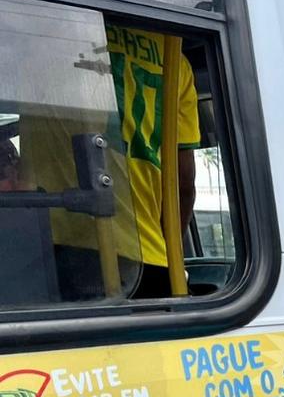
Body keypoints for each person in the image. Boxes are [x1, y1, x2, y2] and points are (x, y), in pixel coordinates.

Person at [21, 23, 199, 300]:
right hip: (156, 265)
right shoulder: (173, 55)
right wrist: (166, 251)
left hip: (63, 252)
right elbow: (184, 184)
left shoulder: (44, 32)